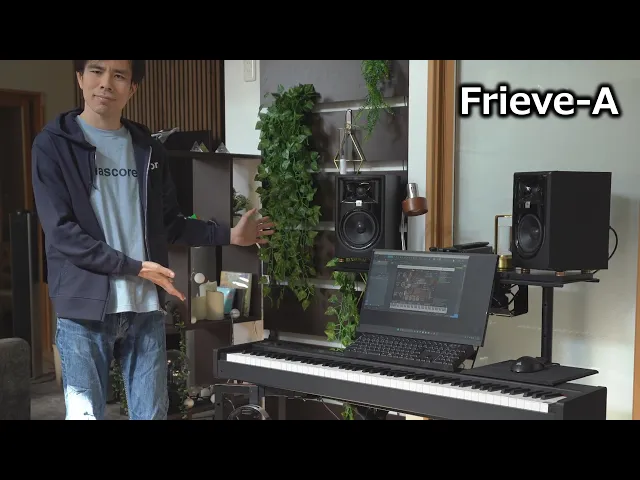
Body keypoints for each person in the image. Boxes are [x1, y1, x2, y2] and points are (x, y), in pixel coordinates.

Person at [31, 60, 274, 420]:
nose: (106, 83)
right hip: (83, 309)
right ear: (80, 78)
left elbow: (169, 224)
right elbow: (62, 232)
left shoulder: (148, 149)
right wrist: (134, 267)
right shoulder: (53, 145)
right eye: (96, 71)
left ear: (132, 88)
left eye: (119, 75)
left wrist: (231, 235)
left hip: (144, 307)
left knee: (152, 415)